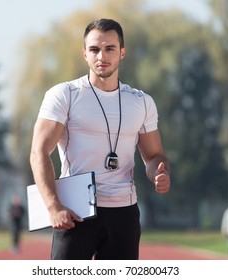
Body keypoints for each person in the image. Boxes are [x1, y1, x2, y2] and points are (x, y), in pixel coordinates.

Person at [29, 18, 170, 260]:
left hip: (124, 213)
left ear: (122, 53)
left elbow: (154, 156)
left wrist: (159, 173)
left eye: (109, 49)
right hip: (76, 211)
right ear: (85, 54)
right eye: (94, 49)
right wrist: (54, 206)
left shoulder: (141, 102)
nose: (101, 56)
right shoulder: (65, 95)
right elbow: (38, 151)